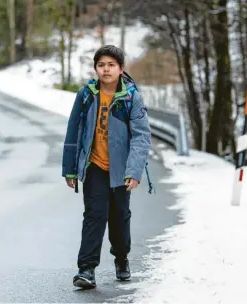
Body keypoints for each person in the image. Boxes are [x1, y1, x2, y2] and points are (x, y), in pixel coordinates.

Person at [61, 45, 152, 289]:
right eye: (101, 65)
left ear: (121, 69)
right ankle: (87, 269)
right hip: (94, 166)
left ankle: (121, 258)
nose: (106, 69)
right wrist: (70, 169)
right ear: (95, 68)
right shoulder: (86, 95)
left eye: (111, 64)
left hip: (121, 170)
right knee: (94, 216)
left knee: (120, 218)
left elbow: (141, 137)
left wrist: (134, 171)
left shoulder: (131, 97)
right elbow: (73, 131)